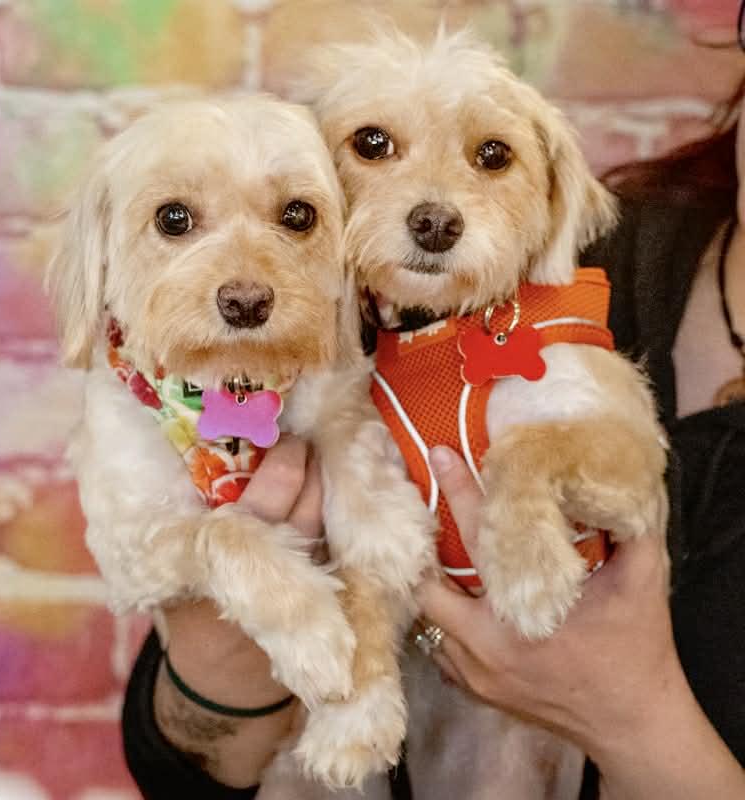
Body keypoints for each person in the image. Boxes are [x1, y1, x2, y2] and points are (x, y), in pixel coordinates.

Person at [121, 24, 745, 800]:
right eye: (373, 145)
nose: (436, 209)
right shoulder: (302, 357)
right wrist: (242, 627)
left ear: (548, 204)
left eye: (491, 157)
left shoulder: (559, 325)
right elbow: (181, 768)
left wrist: (634, 720)